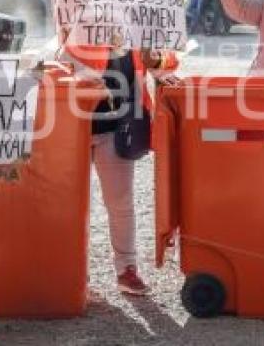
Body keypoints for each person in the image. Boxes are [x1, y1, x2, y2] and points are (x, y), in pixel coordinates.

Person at [60, 42, 179, 295]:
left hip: (116, 131)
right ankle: (72, 271)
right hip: (73, 129)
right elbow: (51, 67)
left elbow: (168, 65)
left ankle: (126, 269)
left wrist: (156, 60)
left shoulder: (136, 36)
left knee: (121, 202)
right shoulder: (76, 31)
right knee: (69, 204)